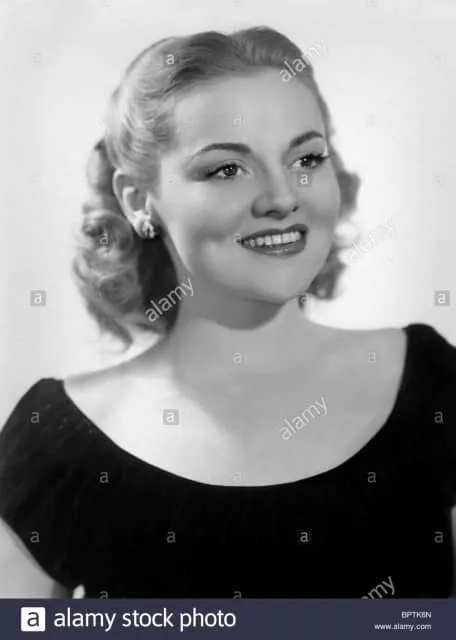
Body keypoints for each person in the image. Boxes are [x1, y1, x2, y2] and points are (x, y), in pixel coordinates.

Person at [1, 26, 456, 599]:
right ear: (139, 201)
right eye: (226, 169)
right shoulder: (54, 444)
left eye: (306, 158)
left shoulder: (433, 386)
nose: (282, 197)